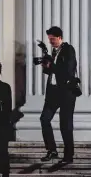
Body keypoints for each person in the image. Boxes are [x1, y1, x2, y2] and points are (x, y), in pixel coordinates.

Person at [40, 26, 77, 164]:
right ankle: (52, 150)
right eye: (49, 39)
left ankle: (68, 156)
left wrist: (51, 66)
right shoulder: (54, 52)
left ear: (60, 37)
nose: (51, 42)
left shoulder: (68, 50)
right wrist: (46, 66)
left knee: (65, 125)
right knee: (44, 119)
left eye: (52, 39)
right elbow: (52, 72)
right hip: (53, 93)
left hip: (66, 93)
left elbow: (67, 71)